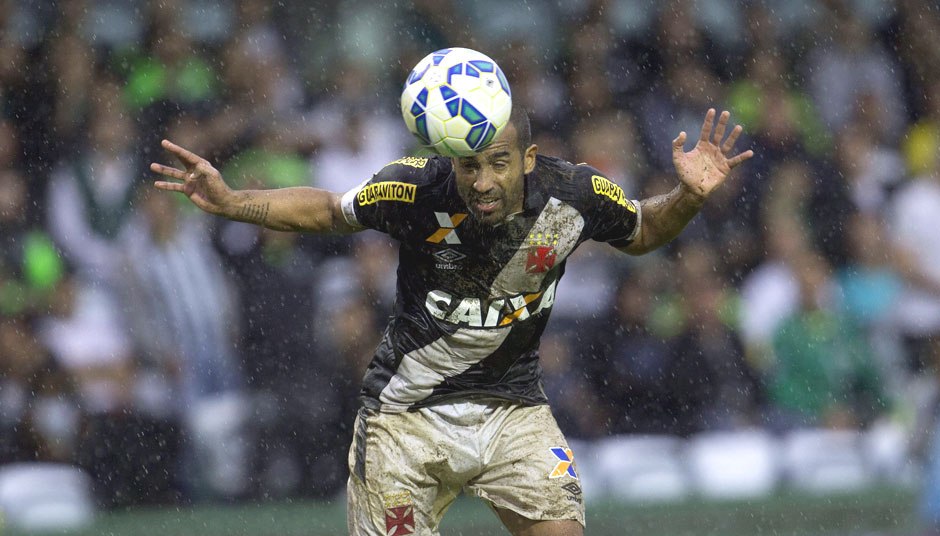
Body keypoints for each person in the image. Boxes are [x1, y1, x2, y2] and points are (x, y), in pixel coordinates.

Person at [151, 106, 752, 536]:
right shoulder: (415, 188)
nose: (482, 182)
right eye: (469, 167)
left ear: (529, 159)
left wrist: (689, 197)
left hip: (513, 408)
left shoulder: (574, 194)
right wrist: (233, 202)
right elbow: (330, 210)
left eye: (498, 164)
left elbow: (642, 230)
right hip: (404, 416)